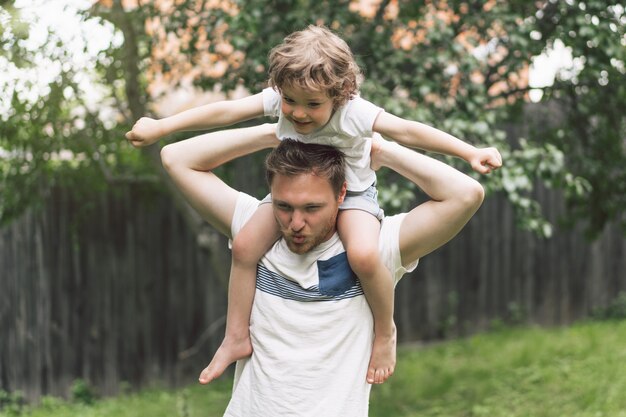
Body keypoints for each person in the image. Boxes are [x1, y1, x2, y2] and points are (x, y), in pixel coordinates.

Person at [126, 25, 501, 384]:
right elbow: (225, 111)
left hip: (352, 195)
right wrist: (162, 127)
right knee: (243, 246)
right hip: (298, 190)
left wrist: (469, 152)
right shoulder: (281, 100)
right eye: (290, 101)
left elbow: (407, 129)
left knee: (366, 256)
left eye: (312, 104)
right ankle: (235, 335)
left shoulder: (354, 112)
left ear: (340, 94)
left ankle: (386, 332)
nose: (299, 113)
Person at [152, 123, 493, 416]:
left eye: (312, 208)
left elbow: (466, 194)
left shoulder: (377, 245)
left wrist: (382, 150)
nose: (295, 223)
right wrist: (277, 132)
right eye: (284, 206)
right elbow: (176, 158)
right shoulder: (252, 226)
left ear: (342, 194)